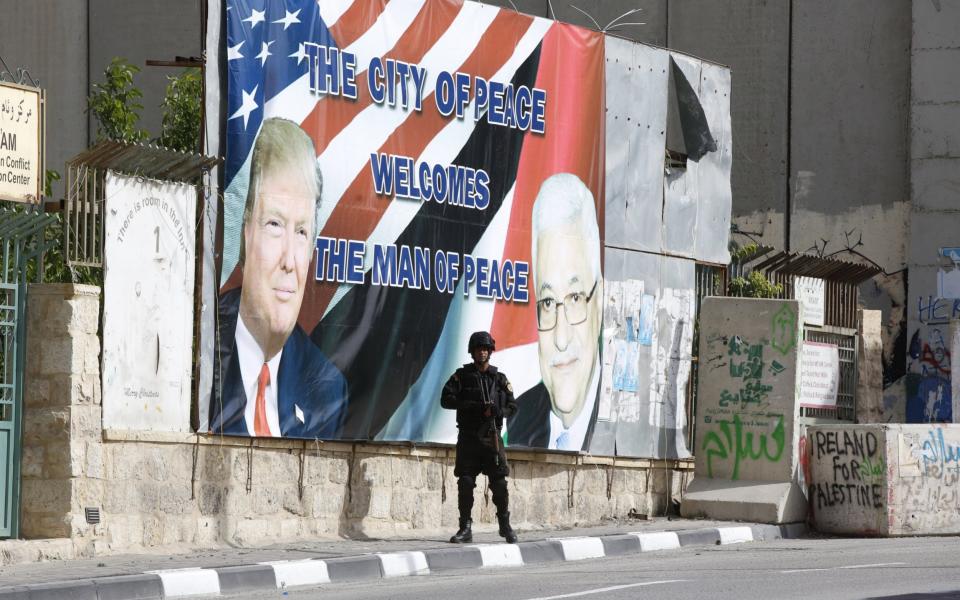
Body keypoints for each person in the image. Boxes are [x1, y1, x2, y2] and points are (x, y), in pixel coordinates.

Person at [210, 118, 347, 438]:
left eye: (301, 232)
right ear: (245, 232)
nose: (289, 261)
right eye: (274, 224)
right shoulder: (202, 348)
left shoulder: (327, 388)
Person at [508, 173, 602, 451]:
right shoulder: (518, 417)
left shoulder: (620, 422)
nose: (561, 338)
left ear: (599, 300)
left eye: (575, 298)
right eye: (548, 302)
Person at [441, 331, 518, 544]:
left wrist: (497, 412)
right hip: (468, 438)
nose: (482, 352)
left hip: (492, 437)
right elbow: (446, 399)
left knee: (499, 483)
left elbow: (513, 406)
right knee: (465, 482)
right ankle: (465, 527)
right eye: (478, 349)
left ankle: (504, 524)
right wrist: (473, 407)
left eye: (485, 349)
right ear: (472, 352)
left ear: (490, 352)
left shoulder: (499, 379)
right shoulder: (461, 376)